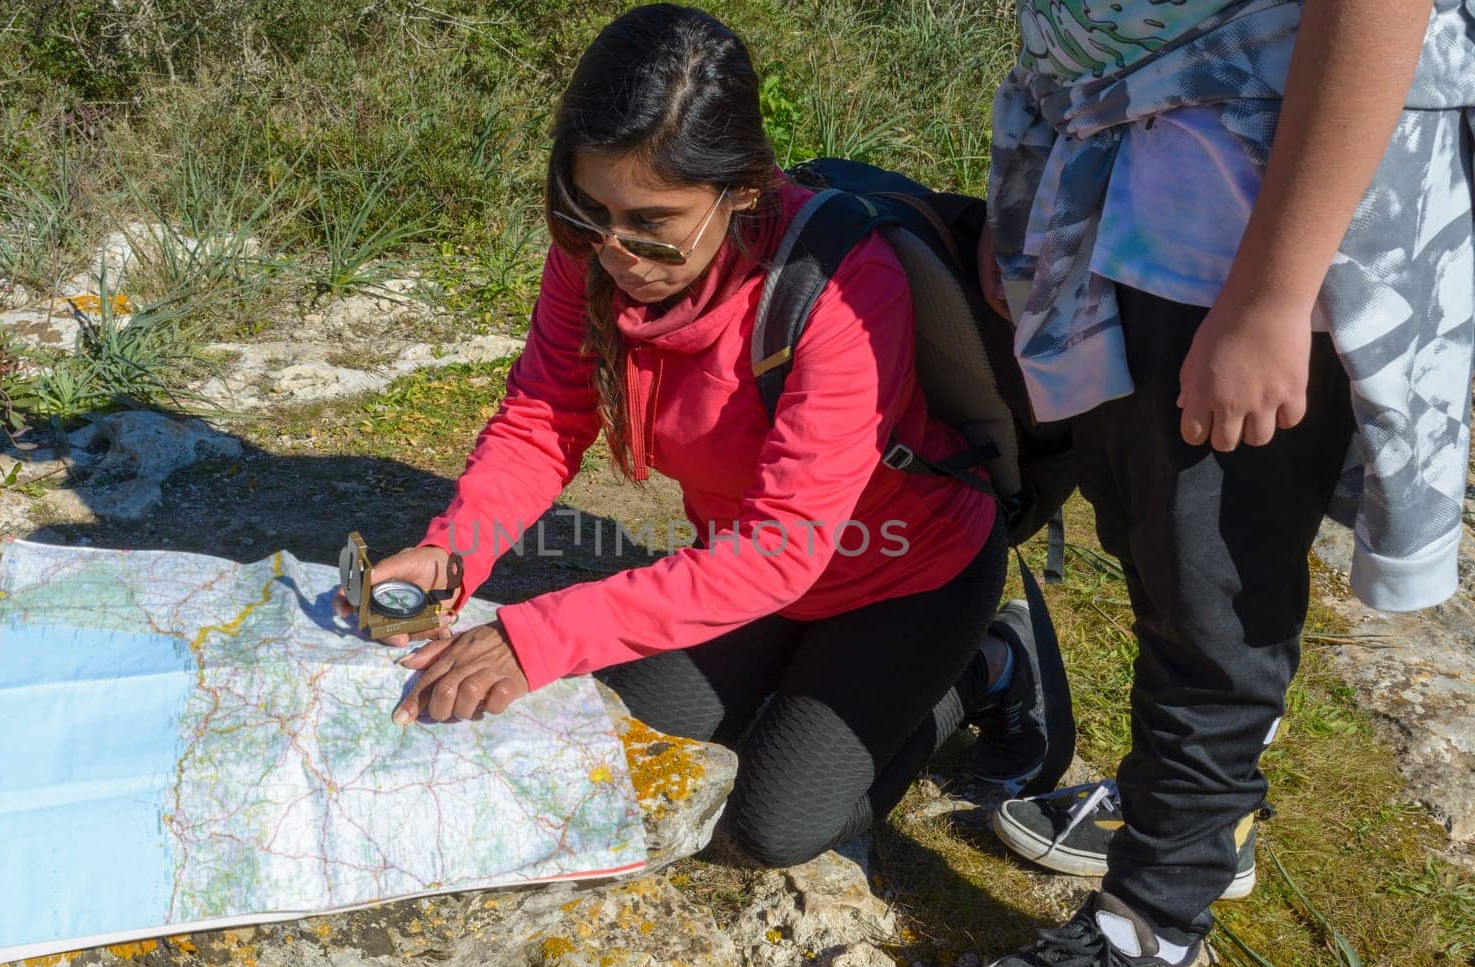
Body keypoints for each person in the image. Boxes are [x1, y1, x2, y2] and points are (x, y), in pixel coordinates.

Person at [334, 3, 1054, 869]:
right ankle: (816, 678)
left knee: (767, 826)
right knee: (635, 758)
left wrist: (536, 635)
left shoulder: (840, 285)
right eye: (588, 208)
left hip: (905, 574)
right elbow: (545, 415)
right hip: (746, 574)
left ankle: (987, 664)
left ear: (742, 190)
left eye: (652, 224)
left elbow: (781, 548)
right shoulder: (590, 248)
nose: (615, 250)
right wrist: (452, 554)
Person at [958, 0, 1474, 967]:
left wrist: (1271, 297)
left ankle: (1155, 917)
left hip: (1250, 217)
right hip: (1119, 168)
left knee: (1210, 575)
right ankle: (1194, 807)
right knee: (1144, 525)